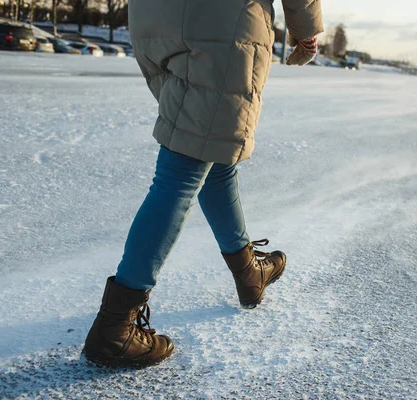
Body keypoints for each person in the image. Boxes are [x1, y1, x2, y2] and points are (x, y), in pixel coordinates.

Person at [83, 0, 323, 368]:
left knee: (212, 151)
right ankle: (114, 329)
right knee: (183, 169)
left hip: (155, 18)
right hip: (219, 24)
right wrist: (305, 30)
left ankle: (248, 273)